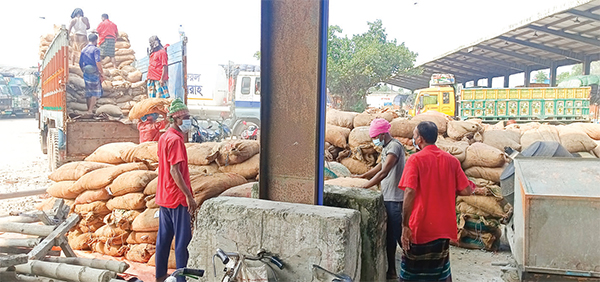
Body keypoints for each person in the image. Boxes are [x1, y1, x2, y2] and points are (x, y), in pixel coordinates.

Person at [398, 121, 474, 282]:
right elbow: (466, 190)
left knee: (412, 274)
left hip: (420, 227)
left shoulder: (415, 160)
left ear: (420, 139)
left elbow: (410, 192)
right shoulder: (452, 161)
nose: (413, 138)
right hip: (443, 228)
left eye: (414, 135)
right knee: (439, 272)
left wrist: (405, 226)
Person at [354, 118, 405, 280]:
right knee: (392, 235)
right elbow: (379, 167)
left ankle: (395, 271)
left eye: (376, 137)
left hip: (395, 199)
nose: (374, 141)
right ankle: (403, 267)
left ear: (383, 134)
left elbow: (384, 172)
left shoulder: (395, 147)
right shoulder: (387, 147)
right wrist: (363, 176)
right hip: (388, 196)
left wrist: (365, 187)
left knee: (394, 237)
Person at [155, 98, 197, 282]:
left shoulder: (164, 137)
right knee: (182, 242)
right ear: (177, 119)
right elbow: (175, 170)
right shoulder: (176, 141)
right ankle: (182, 280)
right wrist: (189, 196)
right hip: (177, 197)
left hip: (164, 196)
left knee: (163, 241)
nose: (188, 121)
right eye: (186, 117)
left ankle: (159, 277)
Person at [79, 33, 104, 114]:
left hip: (86, 70)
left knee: (88, 90)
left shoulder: (83, 49)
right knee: (94, 91)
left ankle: (87, 109)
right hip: (93, 70)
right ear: (95, 40)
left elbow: (80, 62)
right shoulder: (96, 49)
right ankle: (90, 110)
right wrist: (101, 72)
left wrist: (83, 70)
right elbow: (97, 61)